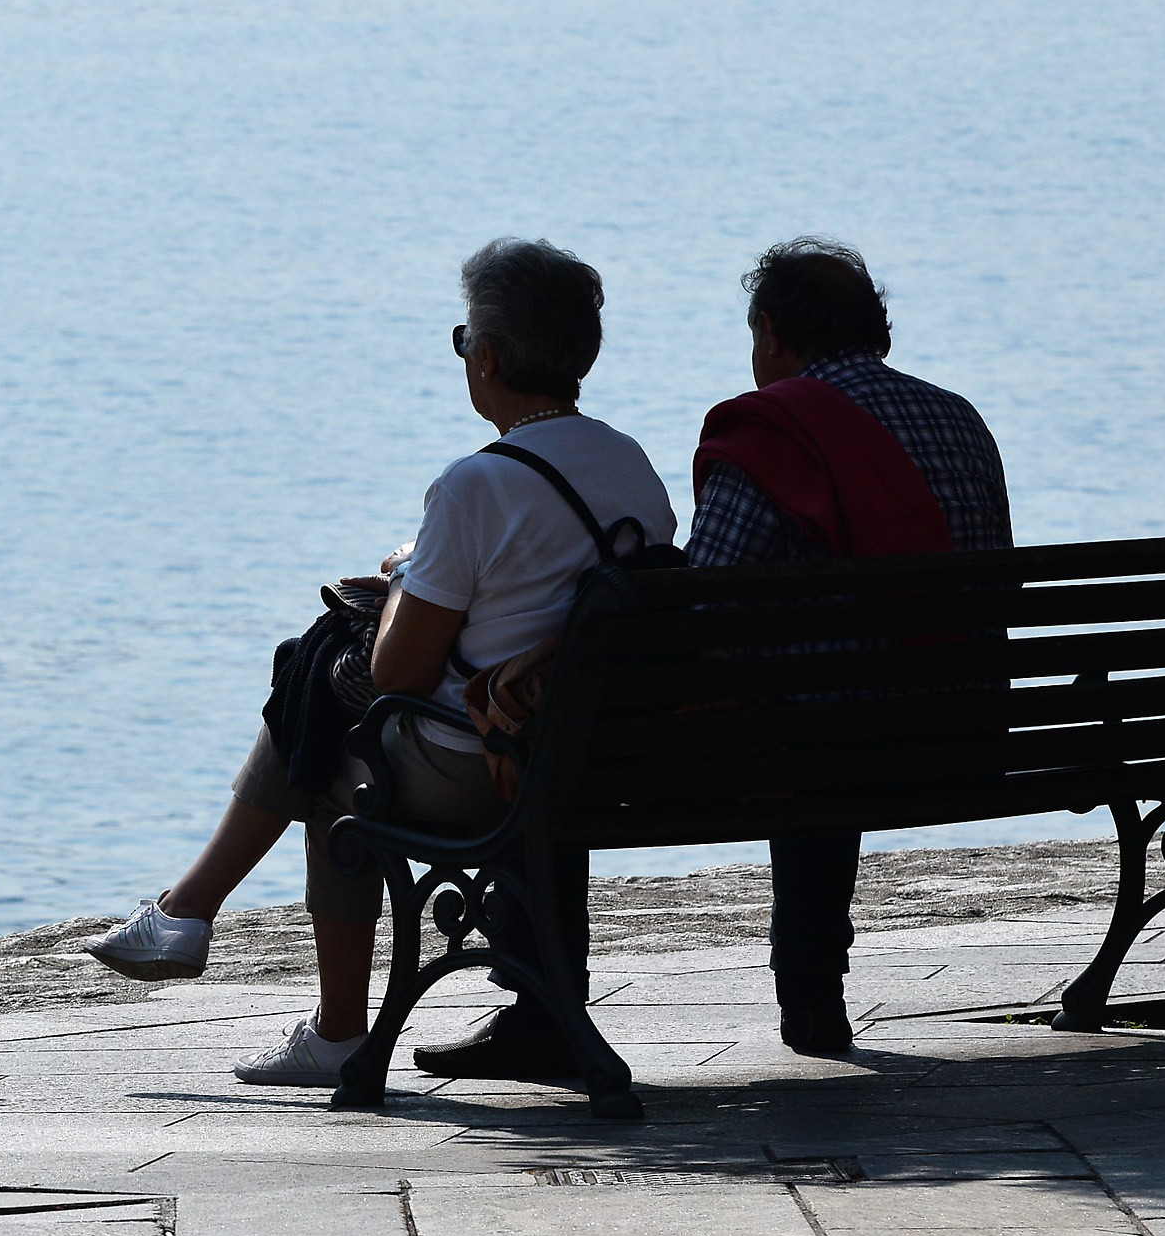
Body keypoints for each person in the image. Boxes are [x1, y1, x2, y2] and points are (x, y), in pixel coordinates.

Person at [85, 239, 678, 1086]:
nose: (465, 354)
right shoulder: (627, 462)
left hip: (486, 762)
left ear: (492, 356)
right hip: (595, 755)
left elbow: (401, 674)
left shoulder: (475, 486)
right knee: (317, 669)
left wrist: (403, 581)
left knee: (326, 720)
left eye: (464, 338)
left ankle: (317, 1017)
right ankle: (189, 913)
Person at [688, 239, 1012, 1056]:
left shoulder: (774, 432)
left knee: (801, 705)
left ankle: (810, 995)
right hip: (965, 733)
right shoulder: (959, 418)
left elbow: (696, 613)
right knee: (831, 695)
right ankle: (812, 998)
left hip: (825, 748)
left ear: (769, 331)